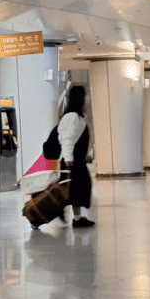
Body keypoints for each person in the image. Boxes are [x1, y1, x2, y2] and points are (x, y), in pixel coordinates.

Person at [57, 85, 95, 228]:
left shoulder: (76, 115)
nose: (86, 99)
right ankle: (61, 210)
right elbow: (67, 138)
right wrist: (68, 158)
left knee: (77, 189)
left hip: (76, 159)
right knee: (77, 189)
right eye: (85, 96)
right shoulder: (72, 116)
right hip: (72, 160)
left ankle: (77, 218)